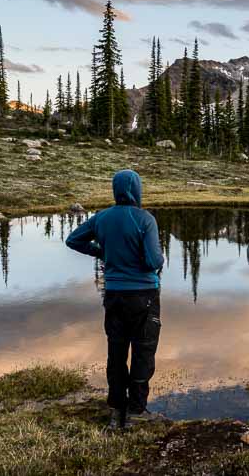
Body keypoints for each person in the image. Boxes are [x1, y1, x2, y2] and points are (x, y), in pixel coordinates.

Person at [66, 169, 164, 429]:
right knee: (143, 351)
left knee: (116, 352)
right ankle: (136, 411)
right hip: (144, 296)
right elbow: (154, 261)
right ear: (137, 190)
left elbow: (73, 240)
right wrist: (155, 258)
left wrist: (102, 252)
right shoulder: (145, 220)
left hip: (114, 295)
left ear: (116, 190)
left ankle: (116, 411)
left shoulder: (102, 217)